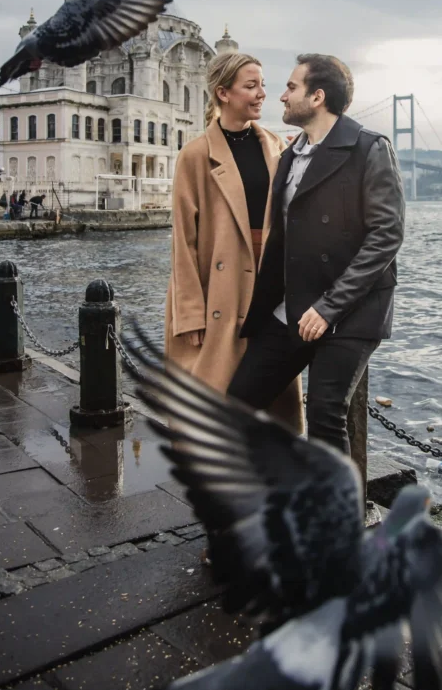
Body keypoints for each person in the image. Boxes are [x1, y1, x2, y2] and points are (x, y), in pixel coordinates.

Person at [228, 53, 405, 457]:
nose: (282, 96)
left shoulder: (369, 149)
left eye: (292, 87)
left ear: (318, 96)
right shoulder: (291, 155)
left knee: (326, 415)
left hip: (351, 311)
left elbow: (387, 234)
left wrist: (330, 308)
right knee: (236, 403)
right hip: (293, 306)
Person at [165, 51, 303, 433]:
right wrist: (190, 312)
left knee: (271, 405)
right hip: (220, 292)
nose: (262, 94)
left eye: (262, 84)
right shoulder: (194, 156)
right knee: (217, 402)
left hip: (269, 285)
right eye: (251, 85)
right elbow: (183, 240)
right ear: (223, 93)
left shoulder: (276, 146)